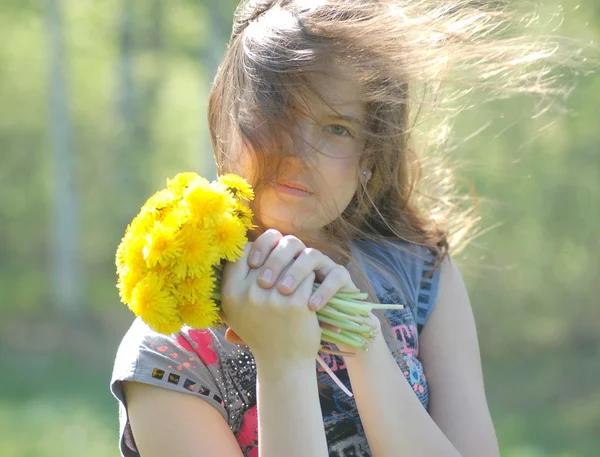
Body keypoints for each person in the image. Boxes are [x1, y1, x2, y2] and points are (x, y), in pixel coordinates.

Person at [110, 1, 568, 456]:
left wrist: (363, 342)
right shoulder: (170, 355)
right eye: (277, 111)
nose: (299, 152)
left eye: (337, 128)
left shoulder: (420, 276)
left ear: (369, 158)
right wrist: (282, 362)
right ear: (224, 119)